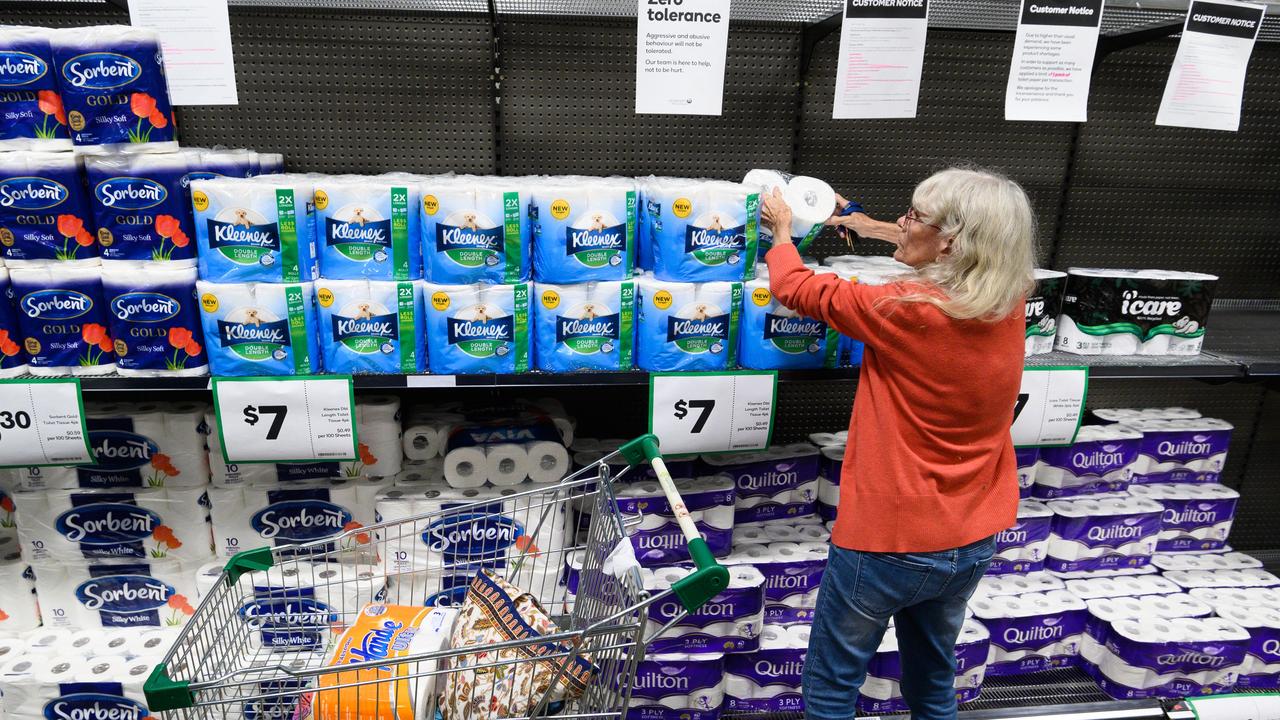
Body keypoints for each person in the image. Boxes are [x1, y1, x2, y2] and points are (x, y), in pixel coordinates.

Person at [759, 166, 1036, 720]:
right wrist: (864, 223)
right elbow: (942, 249)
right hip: (972, 532)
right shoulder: (1009, 300)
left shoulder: (907, 308)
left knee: (833, 686)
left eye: (912, 216)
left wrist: (784, 231)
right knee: (933, 681)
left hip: (889, 538)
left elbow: (799, 288)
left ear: (950, 241)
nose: (903, 222)